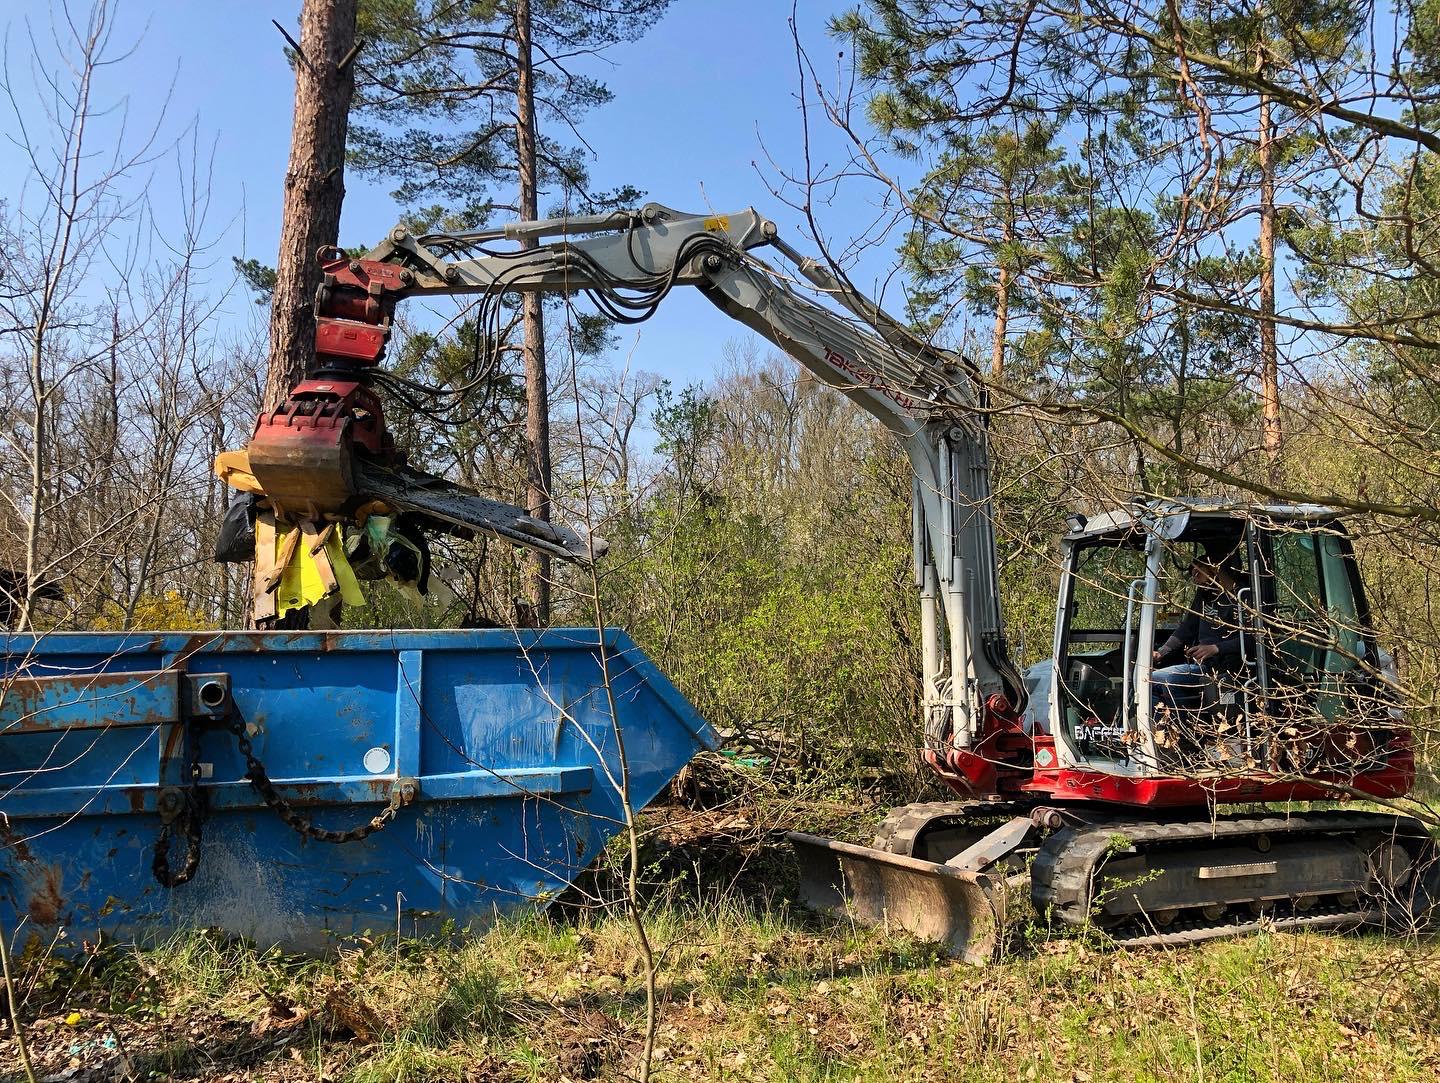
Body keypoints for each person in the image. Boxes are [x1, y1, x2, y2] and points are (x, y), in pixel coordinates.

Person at [1150, 556, 1246, 715]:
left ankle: (1184, 724)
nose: (1194, 578)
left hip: (1227, 666)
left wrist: (1216, 648)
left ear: (1215, 569)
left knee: (1164, 679)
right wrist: (1162, 652)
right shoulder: (1204, 596)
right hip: (1204, 665)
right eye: (1192, 573)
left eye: (1198, 572)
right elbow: (1187, 627)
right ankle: (1161, 725)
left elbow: (1253, 639)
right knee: (1147, 681)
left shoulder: (1242, 596)